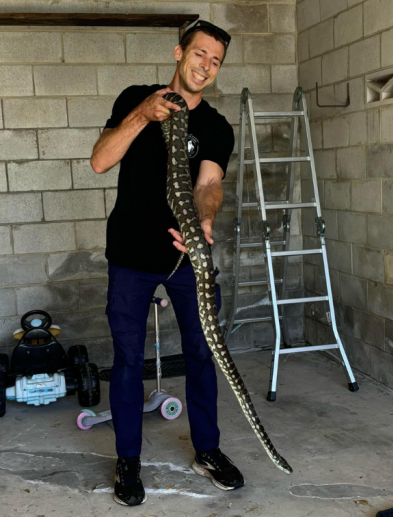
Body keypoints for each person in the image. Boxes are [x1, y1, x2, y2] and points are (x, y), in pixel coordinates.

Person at [89, 20, 242, 506]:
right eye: (200, 54)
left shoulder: (216, 127)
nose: (206, 66)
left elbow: (208, 185)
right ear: (179, 52)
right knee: (129, 360)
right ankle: (129, 460)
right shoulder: (136, 96)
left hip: (184, 260)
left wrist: (204, 221)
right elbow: (99, 160)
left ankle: (208, 450)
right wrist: (141, 115)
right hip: (131, 257)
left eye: (215, 61)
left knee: (202, 352)